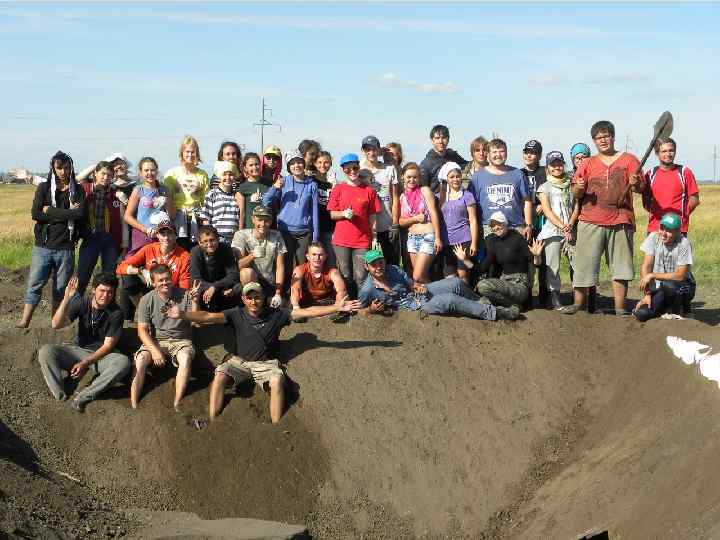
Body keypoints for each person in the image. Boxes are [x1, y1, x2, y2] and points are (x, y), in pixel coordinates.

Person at [163, 282, 361, 422]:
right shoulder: (235, 314)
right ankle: (214, 419)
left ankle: (277, 425)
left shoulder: (278, 315)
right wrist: (182, 314)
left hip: (266, 364)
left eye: (257, 297)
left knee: (276, 380)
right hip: (239, 362)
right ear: (243, 299)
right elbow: (208, 316)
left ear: (263, 298)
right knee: (220, 375)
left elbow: (306, 312)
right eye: (249, 298)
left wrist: (336, 307)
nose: (253, 301)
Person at [563, 120, 644, 316]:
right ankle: (578, 304)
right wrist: (579, 187)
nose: (603, 140)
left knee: (621, 267)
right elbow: (576, 193)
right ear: (594, 141)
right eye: (599, 138)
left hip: (621, 219)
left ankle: (620, 308)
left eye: (606, 136)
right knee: (583, 265)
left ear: (613, 137)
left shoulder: (629, 160)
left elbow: (641, 188)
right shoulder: (587, 163)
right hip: (590, 220)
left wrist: (635, 183)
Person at [38, 274, 130, 413]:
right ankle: (60, 397)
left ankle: (83, 396)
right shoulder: (82, 303)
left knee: (123, 362)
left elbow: (108, 346)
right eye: (102, 291)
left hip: (101, 357)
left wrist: (85, 363)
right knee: (46, 351)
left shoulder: (116, 313)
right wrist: (66, 298)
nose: (105, 296)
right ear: (93, 290)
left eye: (110, 292)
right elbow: (56, 324)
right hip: (79, 351)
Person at [17, 151, 87, 328]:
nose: (63, 171)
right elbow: (36, 214)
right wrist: (68, 213)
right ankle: (24, 322)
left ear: (71, 168)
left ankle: (55, 324)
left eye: (66, 167)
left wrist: (50, 211)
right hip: (43, 246)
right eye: (59, 168)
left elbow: (80, 214)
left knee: (61, 288)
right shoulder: (44, 188)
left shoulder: (78, 190)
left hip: (66, 247)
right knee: (35, 283)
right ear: (53, 169)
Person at [359, 249, 520, 321]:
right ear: (367, 267)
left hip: (417, 294)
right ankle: (496, 313)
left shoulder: (393, 269)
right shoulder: (367, 289)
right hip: (413, 309)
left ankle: (481, 302)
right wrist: (371, 310)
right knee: (449, 299)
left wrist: (416, 286)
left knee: (455, 282)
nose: (379, 267)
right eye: (374, 264)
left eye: (381, 262)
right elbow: (359, 311)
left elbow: (410, 284)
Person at [130, 264, 197, 410]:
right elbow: (142, 330)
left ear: (172, 279)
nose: (165, 283)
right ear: (153, 283)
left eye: (167, 279)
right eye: (160, 280)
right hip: (157, 340)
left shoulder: (185, 295)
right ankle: (134, 403)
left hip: (181, 340)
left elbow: (196, 321)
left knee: (185, 358)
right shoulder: (146, 299)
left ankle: (177, 402)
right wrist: (154, 351)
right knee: (140, 359)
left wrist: (195, 302)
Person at [262, 150, 319, 286]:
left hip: (303, 233)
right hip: (284, 232)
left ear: (304, 164)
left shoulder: (312, 185)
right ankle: (283, 293)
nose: (296, 165)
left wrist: (315, 238)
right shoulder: (284, 181)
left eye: (299, 162)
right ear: (289, 167)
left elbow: (314, 213)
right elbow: (265, 202)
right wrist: (275, 188)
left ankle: (298, 293)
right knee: (285, 265)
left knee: (301, 266)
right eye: (292, 163)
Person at [327, 153, 381, 294]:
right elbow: (332, 214)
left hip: (362, 240)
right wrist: (343, 214)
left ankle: (362, 302)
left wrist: (374, 238)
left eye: (355, 168)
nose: (352, 171)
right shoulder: (338, 188)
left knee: (361, 276)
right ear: (343, 170)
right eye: (347, 169)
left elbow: (373, 216)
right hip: (341, 241)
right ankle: (347, 301)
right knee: (345, 275)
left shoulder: (369, 191)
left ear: (359, 167)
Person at [116, 218, 191, 320]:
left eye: (170, 234)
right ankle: (141, 309)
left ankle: (157, 314)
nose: (166, 238)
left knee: (164, 315)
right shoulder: (149, 248)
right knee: (127, 277)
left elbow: (184, 287)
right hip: (151, 288)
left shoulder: (184, 256)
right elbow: (120, 267)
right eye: (163, 234)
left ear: (175, 236)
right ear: (158, 235)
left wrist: (172, 303)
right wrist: (141, 271)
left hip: (169, 292)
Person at [469, 212, 544, 310]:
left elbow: (536, 264)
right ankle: (512, 307)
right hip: (504, 284)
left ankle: (513, 305)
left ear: (505, 223)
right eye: (492, 226)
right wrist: (465, 260)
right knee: (482, 301)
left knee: (483, 285)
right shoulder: (494, 243)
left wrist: (537, 256)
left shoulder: (518, 239)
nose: (495, 227)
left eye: (498, 224)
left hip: (519, 285)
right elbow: (482, 268)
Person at [468, 138, 533, 243]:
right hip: (489, 229)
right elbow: (471, 206)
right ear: (488, 154)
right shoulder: (477, 177)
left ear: (506, 153)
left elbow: (527, 201)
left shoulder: (518, 174)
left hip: (515, 227)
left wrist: (529, 225)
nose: (498, 155)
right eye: (494, 152)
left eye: (501, 151)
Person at [634, 213, 695, 322]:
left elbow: (680, 275)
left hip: (684, 286)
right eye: (662, 228)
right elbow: (646, 265)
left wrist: (652, 275)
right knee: (642, 314)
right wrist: (647, 294)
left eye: (669, 230)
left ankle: (680, 309)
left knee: (669, 285)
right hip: (661, 288)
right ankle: (665, 308)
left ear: (678, 231)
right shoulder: (653, 237)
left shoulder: (684, 243)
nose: (664, 233)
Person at [536, 152, 578, 309]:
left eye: (559, 164)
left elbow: (576, 207)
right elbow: (547, 211)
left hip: (571, 230)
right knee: (553, 266)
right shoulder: (544, 188)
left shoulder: (571, 184)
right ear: (547, 167)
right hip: (553, 230)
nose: (556, 167)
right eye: (553, 165)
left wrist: (570, 224)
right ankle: (554, 297)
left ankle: (578, 295)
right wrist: (562, 226)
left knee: (576, 264)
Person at [77, 161, 126, 295]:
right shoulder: (85, 189)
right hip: (90, 237)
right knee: (83, 275)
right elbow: (76, 179)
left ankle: (107, 305)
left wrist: (123, 244)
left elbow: (122, 220)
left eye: (109, 175)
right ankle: (76, 303)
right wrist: (95, 164)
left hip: (110, 239)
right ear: (95, 174)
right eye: (103, 174)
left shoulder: (115, 193)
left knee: (109, 277)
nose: (105, 177)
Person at [642, 137, 700, 235]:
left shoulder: (684, 172)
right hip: (655, 229)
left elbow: (694, 200)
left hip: (677, 229)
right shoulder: (650, 174)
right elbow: (646, 202)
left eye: (671, 150)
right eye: (664, 151)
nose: (668, 154)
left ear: (675, 152)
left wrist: (681, 216)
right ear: (657, 153)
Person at [232, 205, 287, 307]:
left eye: (267, 220)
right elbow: (239, 265)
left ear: (271, 221)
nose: (263, 224)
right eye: (260, 220)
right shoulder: (240, 235)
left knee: (280, 305)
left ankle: (265, 301)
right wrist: (252, 255)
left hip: (268, 283)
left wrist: (278, 293)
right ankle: (250, 303)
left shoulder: (276, 235)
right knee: (246, 272)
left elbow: (280, 266)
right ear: (253, 220)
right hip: (249, 282)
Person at [163, 135, 210, 250]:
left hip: (196, 219)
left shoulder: (203, 175)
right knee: (178, 251)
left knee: (196, 250)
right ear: (182, 153)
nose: (190, 154)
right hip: (177, 219)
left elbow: (205, 201)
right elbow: (167, 199)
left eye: (193, 152)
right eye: (187, 151)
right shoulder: (171, 174)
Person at [398, 162, 443, 283]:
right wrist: (415, 219)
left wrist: (438, 238)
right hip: (412, 239)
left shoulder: (425, 191)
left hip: (427, 236)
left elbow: (434, 214)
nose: (412, 180)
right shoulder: (402, 197)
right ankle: (431, 295)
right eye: (409, 177)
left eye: (415, 177)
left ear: (419, 178)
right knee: (419, 279)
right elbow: (401, 221)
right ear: (403, 177)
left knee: (417, 276)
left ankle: (438, 293)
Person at [360, 135, 400, 266]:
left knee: (392, 264)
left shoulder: (389, 169)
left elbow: (395, 197)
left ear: (379, 150)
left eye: (374, 149)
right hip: (368, 227)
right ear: (363, 151)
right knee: (370, 265)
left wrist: (395, 223)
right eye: (368, 149)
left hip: (387, 224)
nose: (371, 152)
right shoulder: (359, 170)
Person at [437, 162, 479, 284]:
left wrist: (474, 243)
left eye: (458, 176)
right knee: (449, 278)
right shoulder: (439, 197)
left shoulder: (467, 196)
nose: (455, 179)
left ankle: (467, 294)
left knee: (463, 274)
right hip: (446, 241)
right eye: (452, 177)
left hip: (463, 239)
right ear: (446, 178)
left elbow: (473, 220)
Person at [123, 156, 174, 255]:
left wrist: (167, 202)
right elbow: (127, 216)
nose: (150, 173)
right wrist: (144, 229)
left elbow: (172, 216)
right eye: (146, 170)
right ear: (141, 172)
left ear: (157, 171)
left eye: (152, 170)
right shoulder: (138, 190)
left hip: (161, 236)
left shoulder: (164, 190)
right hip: (141, 236)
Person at [568, 142, 597, 312]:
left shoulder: (594, 174)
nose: (580, 160)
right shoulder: (568, 177)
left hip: (590, 222)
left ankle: (591, 304)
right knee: (574, 263)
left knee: (590, 262)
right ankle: (576, 301)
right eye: (577, 157)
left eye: (583, 157)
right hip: (572, 224)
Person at [521, 139, 549, 308]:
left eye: (532, 153)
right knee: (528, 261)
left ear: (539, 155)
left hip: (543, 223)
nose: (528, 155)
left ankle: (545, 297)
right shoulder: (519, 173)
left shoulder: (545, 172)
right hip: (526, 222)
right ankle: (527, 296)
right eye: (526, 152)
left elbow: (554, 191)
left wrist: (544, 205)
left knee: (544, 261)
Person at [190, 225, 240, 312]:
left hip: (223, 286)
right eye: (205, 241)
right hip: (206, 289)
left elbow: (233, 275)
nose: (209, 244)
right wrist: (215, 289)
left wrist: (215, 286)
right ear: (200, 243)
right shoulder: (195, 252)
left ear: (218, 239)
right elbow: (196, 280)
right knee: (195, 290)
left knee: (238, 288)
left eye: (212, 240)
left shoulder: (226, 249)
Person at [290, 242, 348, 308]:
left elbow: (341, 290)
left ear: (325, 256)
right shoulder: (299, 270)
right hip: (306, 303)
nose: (317, 258)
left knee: (345, 300)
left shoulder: (333, 272)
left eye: (321, 255)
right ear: (308, 256)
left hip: (327, 302)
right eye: (314, 254)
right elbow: (295, 289)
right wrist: (296, 307)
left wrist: (337, 306)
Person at [197, 161, 241, 243]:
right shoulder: (212, 194)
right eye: (224, 174)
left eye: (231, 175)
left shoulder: (236, 195)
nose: (228, 177)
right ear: (219, 176)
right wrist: (210, 238)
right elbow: (206, 219)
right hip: (218, 238)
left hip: (234, 239)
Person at [419, 124, 469, 193]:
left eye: (444, 138)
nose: (441, 141)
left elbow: (468, 166)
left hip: (456, 197)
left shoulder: (453, 155)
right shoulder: (425, 165)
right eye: (437, 138)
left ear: (448, 139)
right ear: (432, 140)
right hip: (437, 198)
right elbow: (423, 190)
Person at [312, 150, 338, 267]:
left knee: (330, 259)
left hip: (330, 226)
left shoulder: (333, 181)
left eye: (326, 162)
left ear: (331, 163)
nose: (323, 165)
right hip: (315, 226)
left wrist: (335, 186)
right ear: (315, 163)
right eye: (319, 162)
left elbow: (337, 203)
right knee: (316, 260)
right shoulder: (312, 180)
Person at [235, 152, 269, 229]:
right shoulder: (242, 188)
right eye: (251, 165)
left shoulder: (268, 184)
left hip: (266, 229)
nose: (255, 167)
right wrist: (240, 232)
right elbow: (242, 214)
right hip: (250, 229)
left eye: (256, 164)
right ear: (245, 168)